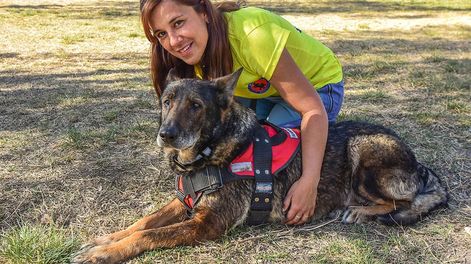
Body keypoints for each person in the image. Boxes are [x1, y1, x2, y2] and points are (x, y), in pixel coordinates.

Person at [139, 0, 344, 225]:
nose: (174, 41)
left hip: (317, 86)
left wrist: (309, 181)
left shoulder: (253, 36)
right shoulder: (189, 50)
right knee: (239, 144)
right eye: (161, 33)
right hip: (263, 89)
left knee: (272, 153)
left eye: (178, 23)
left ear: (204, 12)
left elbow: (312, 110)